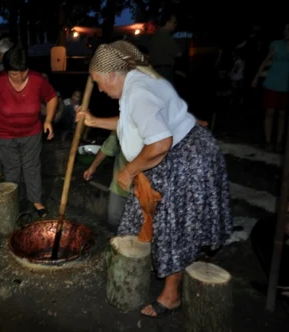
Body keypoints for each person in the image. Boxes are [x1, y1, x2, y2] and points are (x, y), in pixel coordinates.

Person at [77, 40, 232, 318]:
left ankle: (171, 295)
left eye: (99, 82)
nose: (99, 88)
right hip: (173, 153)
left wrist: (129, 170)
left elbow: (160, 144)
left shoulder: (138, 92)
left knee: (173, 224)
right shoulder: (135, 81)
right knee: (141, 220)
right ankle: (143, 266)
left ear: (113, 74)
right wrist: (95, 121)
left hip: (185, 159)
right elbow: (132, 123)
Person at [0, 46, 57, 217]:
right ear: (6, 71)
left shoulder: (37, 80)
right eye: (14, 74)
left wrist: (48, 120)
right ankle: (14, 201)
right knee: (12, 168)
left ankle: (36, 200)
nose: (19, 77)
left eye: (23, 72)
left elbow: (51, 97)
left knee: (32, 167)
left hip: (31, 132)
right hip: (3, 134)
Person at [252, 23, 289, 152]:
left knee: (283, 114)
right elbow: (266, 61)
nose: (287, 32)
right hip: (272, 82)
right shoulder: (276, 44)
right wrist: (256, 77)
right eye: (286, 29)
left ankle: (279, 142)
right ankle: (268, 141)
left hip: (286, 84)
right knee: (270, 112)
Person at [83, 131, 129, 233]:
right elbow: (107, 148)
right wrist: (92, 167)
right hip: (119, 184)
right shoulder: (121, 124)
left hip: (143, 187)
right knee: (113, 218)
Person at [148, 12, 181, 85]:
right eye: (174, 22)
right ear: (167, 22)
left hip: (156, 71)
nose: (175, 25)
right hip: (165, 71)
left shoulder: (156, 35)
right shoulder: (165, 35)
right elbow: (177, 53)